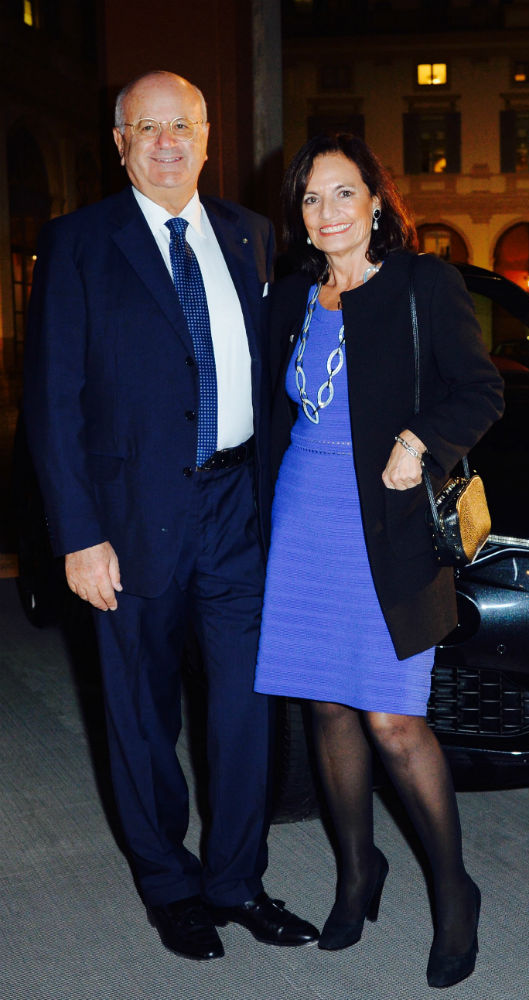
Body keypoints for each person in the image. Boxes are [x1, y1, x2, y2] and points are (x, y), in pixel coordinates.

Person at [23, 70, 318, 960]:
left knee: (244, 711)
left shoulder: (253, 235)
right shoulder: (77, 243)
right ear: (119, 144)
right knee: (140, 713)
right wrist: (77, 534)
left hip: (238, 509)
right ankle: (169, 884)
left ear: (206, 132)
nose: (165, 142)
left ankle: (236, 879)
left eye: (180, 124)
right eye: (144, 128)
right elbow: (53, 402)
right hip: (127, 518)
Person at [254, 133, 504, 988]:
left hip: (389, 528)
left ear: (374, 201)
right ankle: (358, 874)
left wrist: (423, 440)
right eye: (310, 200)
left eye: (342, 194)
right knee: (325, 710)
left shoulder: (422, 284)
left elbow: (479, 390)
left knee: (395, 721)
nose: (326, 213)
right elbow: (276, 414)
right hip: (303, 520)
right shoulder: (291, 298)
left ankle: (452, 892)